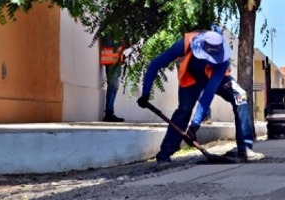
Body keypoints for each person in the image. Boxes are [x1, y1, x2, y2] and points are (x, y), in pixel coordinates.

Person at [136, 29, 231, 165]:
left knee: (199, 108)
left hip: (208, 77)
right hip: (190, 78)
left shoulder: (223, 61)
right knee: (183, 111)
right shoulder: (185, 44)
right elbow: (155, 65)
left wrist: (194, 126)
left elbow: (207, 96)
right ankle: (164, 154)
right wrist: (145, 93)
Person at [194, 66, 266, 161]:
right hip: (198, 78)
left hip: (220, 76)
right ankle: (167, 151)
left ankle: (245, 148)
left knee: (241, 96)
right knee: (184, 108)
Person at [99, 35, 127, 122]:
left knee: (114, 87)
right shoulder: (112, 29)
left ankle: (109, 113)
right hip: (112, 60)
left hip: (115, 59)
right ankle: (109, 113)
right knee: (113, 86)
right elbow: (112, 46)